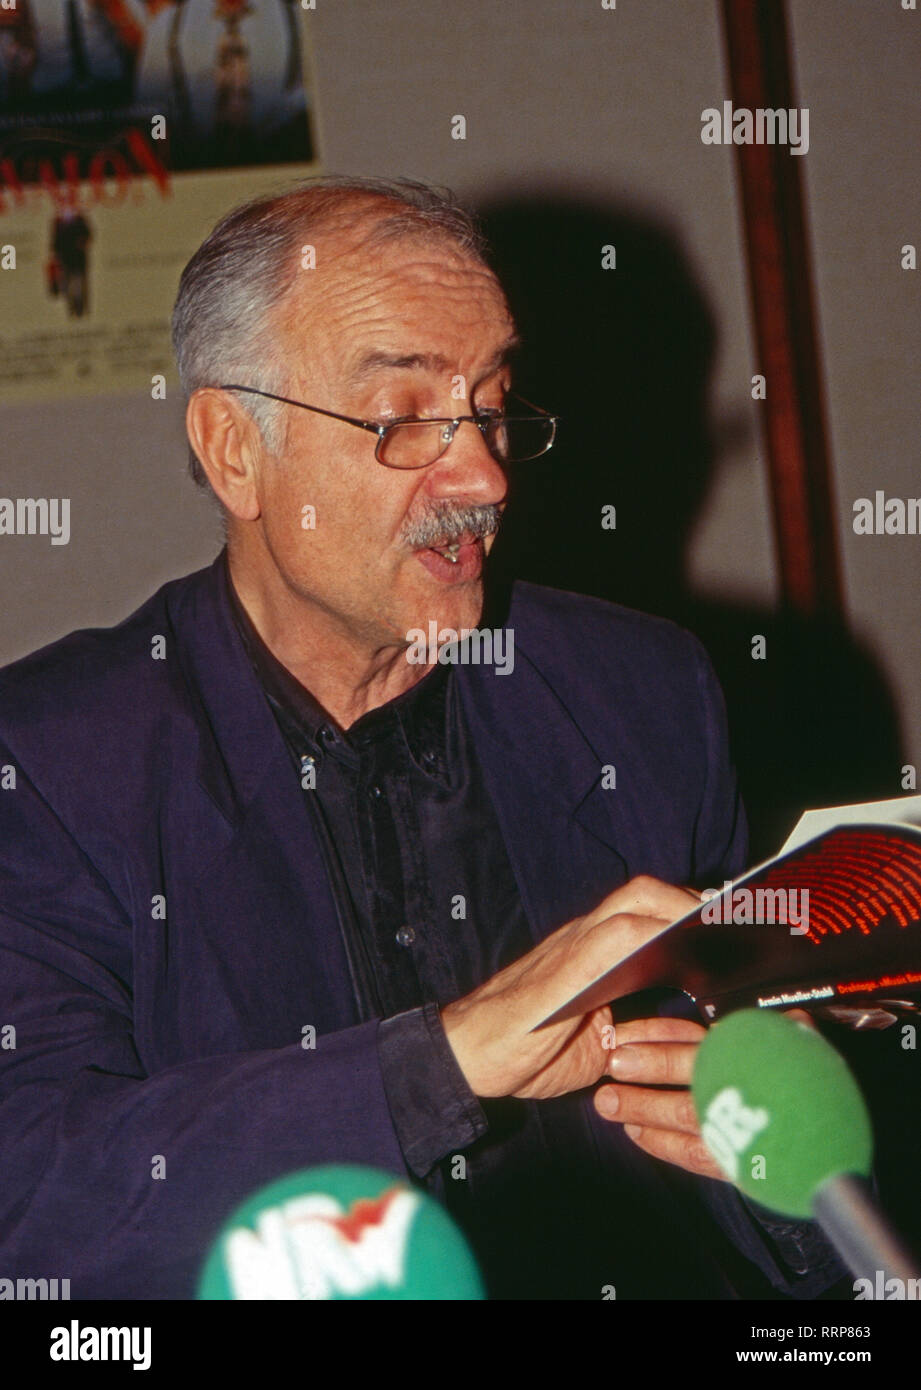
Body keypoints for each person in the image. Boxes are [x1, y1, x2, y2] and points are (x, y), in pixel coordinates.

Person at [0, 176, 845, 1300]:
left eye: (492, 403)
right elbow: (34, 1201)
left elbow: (774, 1207)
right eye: (402, 421)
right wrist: (439, 1064)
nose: (485, 476)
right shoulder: (53, 765)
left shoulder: (643, 695)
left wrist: (794, 1166)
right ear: (233, 450)